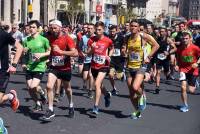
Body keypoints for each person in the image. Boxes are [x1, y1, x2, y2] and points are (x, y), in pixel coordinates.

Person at [122, 20, 159, 119]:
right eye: (131, 26)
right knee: (131, 94)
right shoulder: (126, 37)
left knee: (135, 87)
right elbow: (124, 49)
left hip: (140, 66)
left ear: (138, 28)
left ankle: (142, 96)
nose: (133, 27)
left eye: (135, 26)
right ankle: (137, 111)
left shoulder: (143, 36)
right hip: (129, 66)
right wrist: (123, 52)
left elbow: (156, 45)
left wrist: (149, 57)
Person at [43, 20, 78, 119]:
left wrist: (61, 51)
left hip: (65, 68)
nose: (53, 30)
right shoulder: (49, 38)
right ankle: (50, 109)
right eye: (52, 28)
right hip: (54, 67)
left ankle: (71, 104)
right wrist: (47, 59)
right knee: (49, 86)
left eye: (55, 28)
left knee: (67, 89)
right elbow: (49, 51)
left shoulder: (67, 38)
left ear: (60, 28)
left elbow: (75, 53)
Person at [22, 20, 50, 112]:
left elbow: (50, 51)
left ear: (38, 29)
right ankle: (38, 103)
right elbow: (24, 55)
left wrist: (42, 55)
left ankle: (42, 93)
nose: (31, 29)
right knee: (30, 88)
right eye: (30, 27)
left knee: (33, 86)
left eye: (33, 27)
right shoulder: (26, 40)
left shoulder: (43, 39)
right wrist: (23, 63)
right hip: (29, 66)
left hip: (39, 66)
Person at [87, 21, 114, 115]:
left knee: (97, 84)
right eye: (96, 29)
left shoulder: (108, 40)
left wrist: (109, 55)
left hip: (104, 65)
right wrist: (93, 48)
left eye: (100, 30)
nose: (97, 31)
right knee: (100, 85)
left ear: (103, 30)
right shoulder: (91, 40)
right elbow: (88, 53)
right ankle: (106, 95)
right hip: (94, 65)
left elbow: (112, 48)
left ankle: (96, 106)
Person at [0, 22, 23, 112]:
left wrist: (14, 64)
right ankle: (10, 96)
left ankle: (11, 96)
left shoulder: (4, 35)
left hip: (2, 71)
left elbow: (20, 47)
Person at [175, 31, 200, 112]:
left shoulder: (195, 48)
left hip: (193, 70)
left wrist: (197, 63)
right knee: (183, 87)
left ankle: (195, 81)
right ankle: (185, 105)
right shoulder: (179, 49)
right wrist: (176, 65)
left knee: (191, 90)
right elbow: (178, 58)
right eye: (183, 39)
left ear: (190, 39)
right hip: (183, 70)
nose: (185, 40)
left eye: (186, 38)